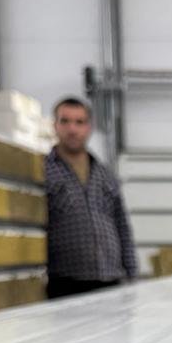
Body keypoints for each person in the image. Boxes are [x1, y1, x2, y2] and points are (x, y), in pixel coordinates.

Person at [43, 97, 137, 299]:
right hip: (65, 282)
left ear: (89, 127)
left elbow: (122, 225)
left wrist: (132, 274)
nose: (72, 129)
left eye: (79, 122)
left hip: (110, 279)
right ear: (55, 125)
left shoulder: (105, 174)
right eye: (65, 121)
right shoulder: (44, 171)